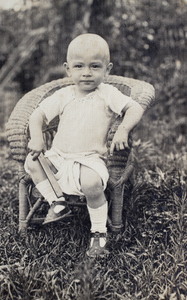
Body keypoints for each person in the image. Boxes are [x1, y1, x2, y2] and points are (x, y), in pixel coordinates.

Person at [24, 33, 144, 257]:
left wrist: (123, 129)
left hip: (90, 158)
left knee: (91, 184)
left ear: (107, 69)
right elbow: (37, 115)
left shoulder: (107, 94)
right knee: (32, 163)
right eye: (79, 66)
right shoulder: (64, 95)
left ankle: (98, 233)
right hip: (59, 156)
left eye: (94, 67)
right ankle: (57, 202)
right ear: (68, 69)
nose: (86, 73)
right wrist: (37, 137)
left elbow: (135, 108)